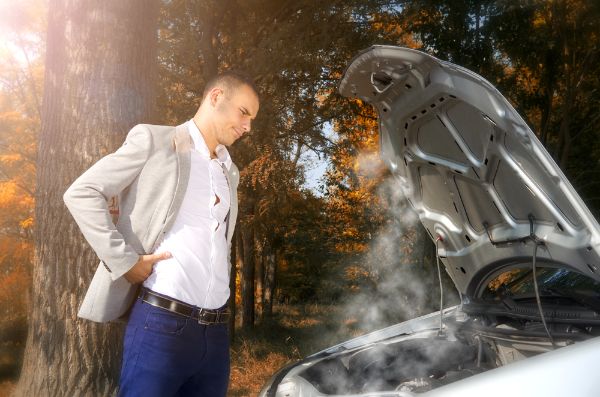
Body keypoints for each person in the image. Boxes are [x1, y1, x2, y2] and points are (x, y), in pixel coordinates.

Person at [63, 71, 260, 396]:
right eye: (244, 112)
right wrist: (124, 261)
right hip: (161, 323)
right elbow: (82, 193)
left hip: (216, 333)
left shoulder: (229, 171)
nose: (247, 126)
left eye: (251, 118)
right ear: (216, 98)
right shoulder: (155, 141)